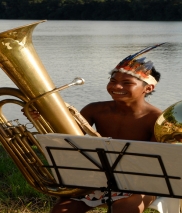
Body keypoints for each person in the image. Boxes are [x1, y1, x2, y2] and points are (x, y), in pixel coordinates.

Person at [47, 43, 165, 213]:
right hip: (96, 180)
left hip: (140, 183)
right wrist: (46, 116)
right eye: (113, 81)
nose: (117, 87)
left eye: (126, 83)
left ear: (148, 88)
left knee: (123, 210)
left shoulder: (156, 119)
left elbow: (156, 164)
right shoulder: (94, 109)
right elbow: (67, 139)